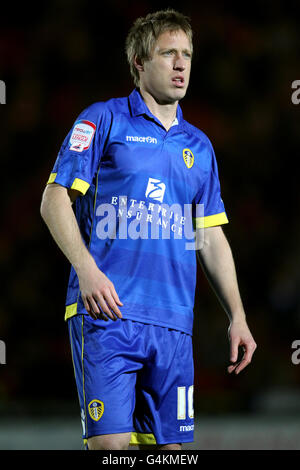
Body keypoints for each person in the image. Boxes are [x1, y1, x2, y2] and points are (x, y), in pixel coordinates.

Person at [40, 9, 256, 451]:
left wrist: (238, 315)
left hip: (174, 326)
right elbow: (53, 199)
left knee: (171, 456)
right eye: (168, 54)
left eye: (188, 55)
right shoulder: (104, 120)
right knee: (113, 451)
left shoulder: (199, 146)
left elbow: (209, 236)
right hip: (108, 315)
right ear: (139, 61)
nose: (181, 65)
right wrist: (86, 270)